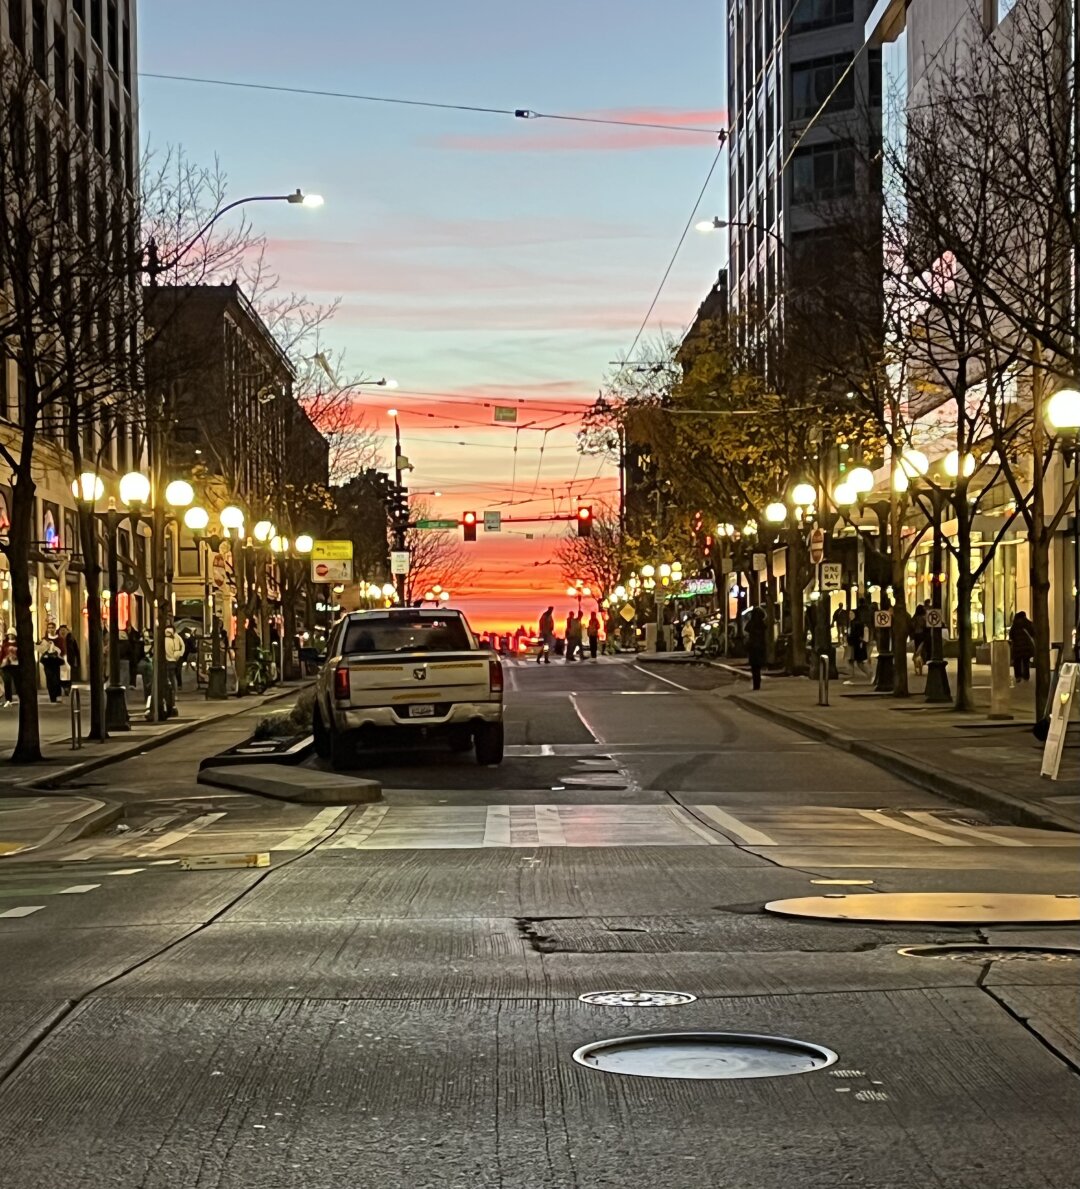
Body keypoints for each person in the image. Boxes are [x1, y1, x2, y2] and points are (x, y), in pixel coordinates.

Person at [1009, 610, 1035, 682]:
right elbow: (1033, 633)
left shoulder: (1015, 625)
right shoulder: (1028, 623)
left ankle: (1018, 676)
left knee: (1017, 662)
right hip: (1026, 647)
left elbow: (1011, 635)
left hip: (1017, 647)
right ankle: (1026, 676)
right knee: (1025, 661)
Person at [38, 627, 63, 702]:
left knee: (56, 681)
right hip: (48, 668)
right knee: (50, 682)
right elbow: (42, 660)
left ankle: (57, 696)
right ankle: (52, 697)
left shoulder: (57, 649)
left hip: (55, 668)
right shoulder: (45, 651)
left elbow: (61, 659)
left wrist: (55, 656)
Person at [746, 606, 768, 691]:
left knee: (754, 667)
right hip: (760, 647)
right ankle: (757, 684)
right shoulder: (762, 624)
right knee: (758, 667)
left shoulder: (750, 624)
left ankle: (756, 684)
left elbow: (747, 636)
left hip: (753, 648)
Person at [163, 626, 185, 697]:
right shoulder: (174, 637)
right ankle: (173, 694)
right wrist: (178, 654)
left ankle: (170, 694)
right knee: (172, 677)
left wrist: (178, 654)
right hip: (172, 660)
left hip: (169, 660)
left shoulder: (165, 639)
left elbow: (181, 646)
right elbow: (182, 646)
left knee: (169, 677)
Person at [909, 603, 928, 676]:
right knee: (920, 651)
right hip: (922, 635)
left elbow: (911, 626)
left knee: (917, 651)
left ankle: (916, 668)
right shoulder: (923, 618)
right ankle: (920, 668)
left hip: (916, 636)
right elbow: (925, 626)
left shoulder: (914, 618)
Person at [0, 630, 19, 706]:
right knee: (7, 682)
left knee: (17, 682)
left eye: (12, 634)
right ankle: (8, 699)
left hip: (16, 666)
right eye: (9, 634)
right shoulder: (5, 644)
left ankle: (20, 697)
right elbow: (1, 654)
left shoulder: (18, 644)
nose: (10, 635)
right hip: (6, 666)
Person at [59, 625, 79, 690]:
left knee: (69, 673)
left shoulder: (71, 638)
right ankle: (63, 686)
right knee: (61, 673)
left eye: (64, 630)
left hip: (69, 658)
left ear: (67, 631)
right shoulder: (58, 639)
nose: (62, 632)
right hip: (60, 658)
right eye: (61, 630)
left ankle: (67, 686)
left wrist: (77, 660)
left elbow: (76, 650)